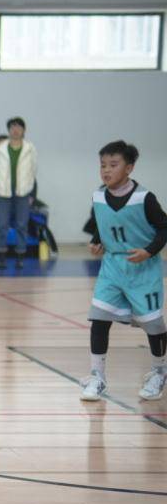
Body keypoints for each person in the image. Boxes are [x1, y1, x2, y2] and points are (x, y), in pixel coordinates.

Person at [81, 141, 167, 402]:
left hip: (143, 268)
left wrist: (149, 251)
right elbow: (103, 224)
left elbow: (164, 228)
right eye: (102, 165)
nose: (106, 170)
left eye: (113, 165)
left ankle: (159, 371)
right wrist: (97, 241)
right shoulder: (98, 196)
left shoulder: (144, 198)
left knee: (153, 324)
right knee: (99, 319)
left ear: (129, 168)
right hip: (112, 267)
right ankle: (97, 376)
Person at [0, 117, 37, 270]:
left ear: (24, 130)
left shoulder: (30, 148)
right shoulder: (1, 148)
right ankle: (1, 256)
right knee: (2, 225)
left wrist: (30, 192)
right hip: (3, 192)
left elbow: (33, 170)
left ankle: (20, 256)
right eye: (12, 127)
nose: (16, 130)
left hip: (23, 192)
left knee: (22, 225)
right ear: (8, 130)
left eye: (19, 127)